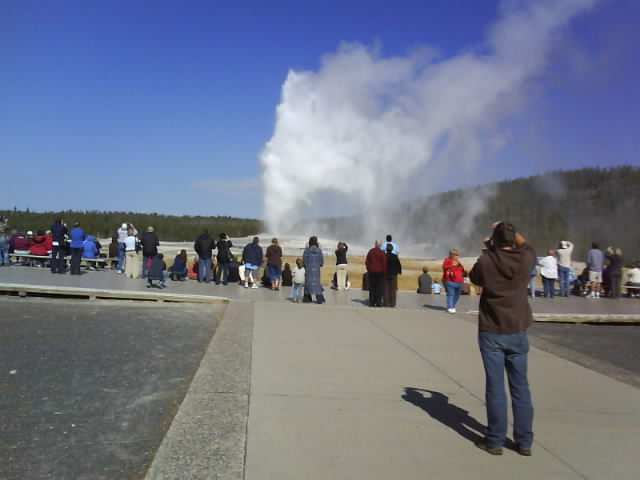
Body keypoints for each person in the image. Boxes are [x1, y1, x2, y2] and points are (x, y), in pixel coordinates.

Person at [469, 221, 536, 457]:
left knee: (495, 388)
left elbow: (475, 277)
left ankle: (495, 440)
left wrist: (489, 249)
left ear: (495, 241)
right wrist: (507, 231)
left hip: (492, 330)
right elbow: (525, 245)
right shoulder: (526, 259)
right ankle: (524, 441)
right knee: (521, 388)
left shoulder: (487, 261)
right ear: (513, 238)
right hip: (517, 329)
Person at [302, 236, 325, 303]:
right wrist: (319, 265)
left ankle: (307, 299)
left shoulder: (307, 250)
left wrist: (306, 266)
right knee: (317, 283)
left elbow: (304, 260)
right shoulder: (319, 250)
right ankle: (319, 299)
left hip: (309, 269)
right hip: (316, 270)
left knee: (308, 283)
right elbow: (321, 261)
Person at [442, 249, 465, 313]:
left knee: (457, 295)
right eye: (456, 255)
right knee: (450, 294)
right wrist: (452, 265)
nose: (457, 256)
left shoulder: (458, 261)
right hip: (449, 280)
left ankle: (452, 306)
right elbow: (444, 267)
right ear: (452, 255)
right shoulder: (447, 260)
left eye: (458, 255)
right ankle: (450, 307)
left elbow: (462, 269)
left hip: (459, 282)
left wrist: (460, 266)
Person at [365, 240, 387, 307]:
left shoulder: (371, 251)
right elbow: (384, 263)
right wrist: (384, 271)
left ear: (375, 244)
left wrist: (369, 269)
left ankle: (371, 302)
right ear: (380, 245)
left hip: (371, 272)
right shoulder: (382, 253)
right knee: (379, 288)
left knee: (372, 287)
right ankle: (378, 302)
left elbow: (367, 261)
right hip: (380, 272)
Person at [383, 243, 402, 307]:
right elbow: (398, 265)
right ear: (392, 249)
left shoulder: (384, 256)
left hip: (385, 274)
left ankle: (385, 302)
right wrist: (399, 271)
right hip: (393, 274)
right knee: (393, 289)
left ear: (386, 249)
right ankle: (392, 303)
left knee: (385, 288)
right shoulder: (395, 256)